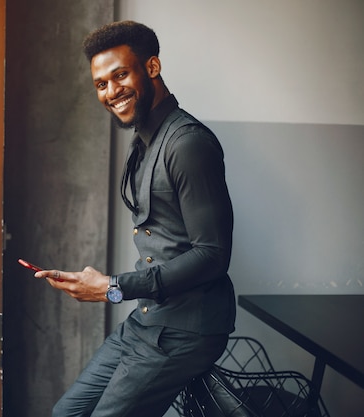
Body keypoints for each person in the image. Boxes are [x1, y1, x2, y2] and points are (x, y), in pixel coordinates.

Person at [33, 20, 236, 416]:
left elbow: (213, 254)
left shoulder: (188, 144)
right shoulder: (143, 141)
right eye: (101, 84)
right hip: (147, 322)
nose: (111, 92)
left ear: (152, 68)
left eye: (120, 75)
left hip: (186, 332)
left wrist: (113, 287)